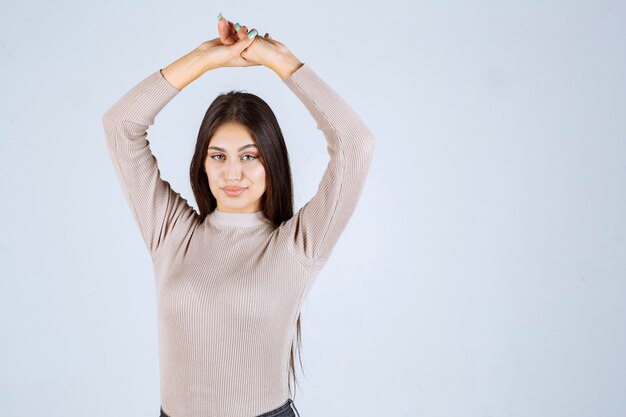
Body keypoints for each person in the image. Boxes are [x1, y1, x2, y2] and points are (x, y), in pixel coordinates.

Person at [101, 12, 376, 417]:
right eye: (219, 156)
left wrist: (281, 62)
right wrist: (204, 59)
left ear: (272, 164)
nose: (233, 172)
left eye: (250, 156)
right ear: (203, 164)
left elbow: (356, 144)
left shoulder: (298, 245)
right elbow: (119, 124)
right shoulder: (171, 234)